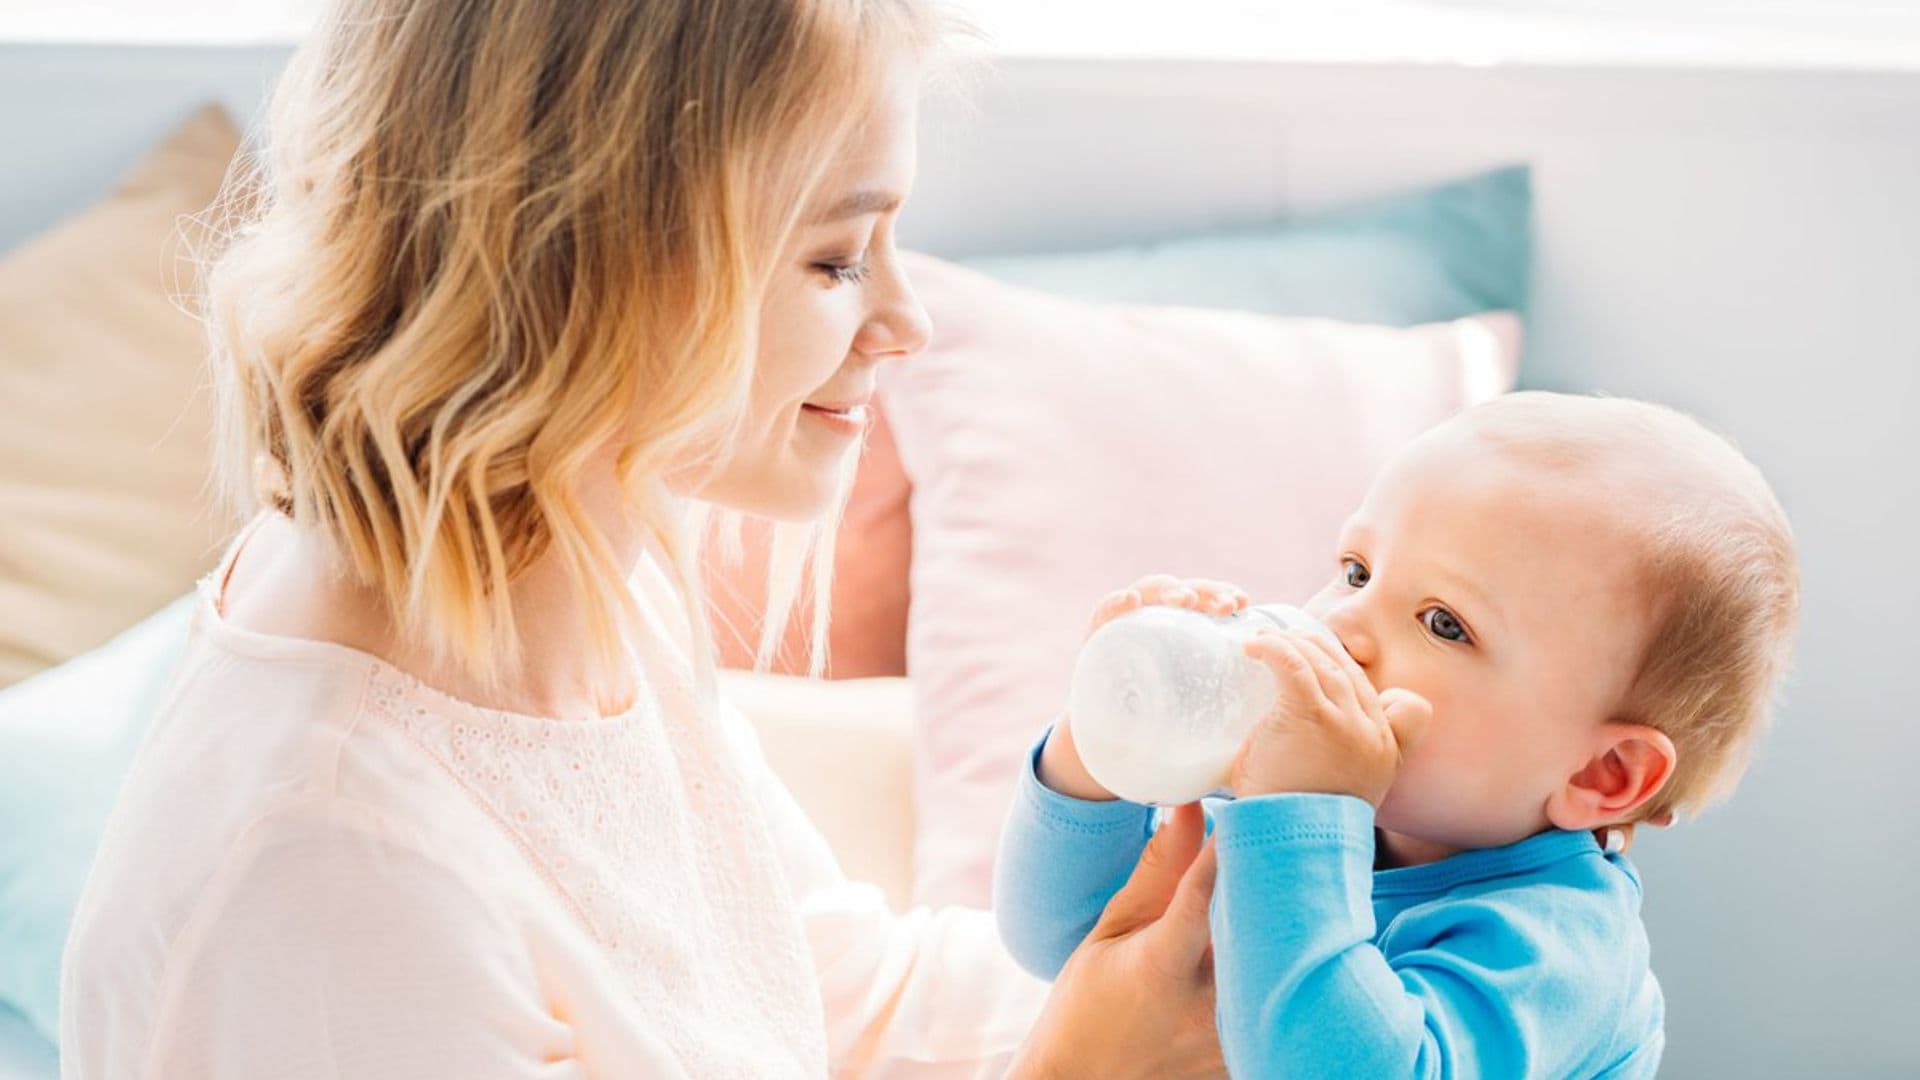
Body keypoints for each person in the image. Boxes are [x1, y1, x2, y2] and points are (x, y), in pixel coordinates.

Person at [58, 2, 1225, 1076]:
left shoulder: (571, 580)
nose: (907, 323)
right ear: (589, 264)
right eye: (835, 258)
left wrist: (1231, 970)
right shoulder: (334, 868)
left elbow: (830, 999)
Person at [996, 391, 1799, 1077]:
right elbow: (1069, 940)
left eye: (1444, 623)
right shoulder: (1284, 816)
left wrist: (1302, 819)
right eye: (1356, 571)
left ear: (1604, 775)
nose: (1344, 625)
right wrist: (1096, 750)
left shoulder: (1556, 947)